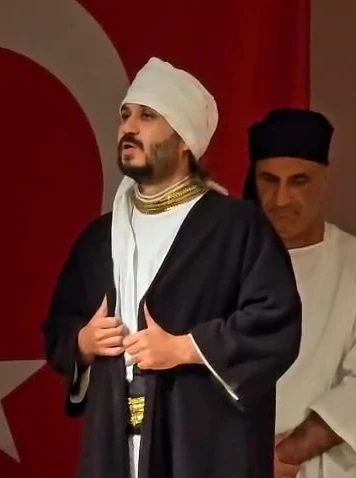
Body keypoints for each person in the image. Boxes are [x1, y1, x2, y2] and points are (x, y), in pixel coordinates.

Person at [42, 57, 303, 478]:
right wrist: (82, 343)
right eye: (125, 115)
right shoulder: (99, 239)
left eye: (147, 116)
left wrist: (184, 348)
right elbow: (59, 326)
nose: (128, 128)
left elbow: (275, 322)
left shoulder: (236, 228)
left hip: (202, 447)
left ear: (184, 139)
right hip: (116, 447)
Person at [243, 108, 356, 478]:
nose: (282, 199)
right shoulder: (230, 262)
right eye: (269, 180)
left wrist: (288, 454)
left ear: (324, 180)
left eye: (298, 181)